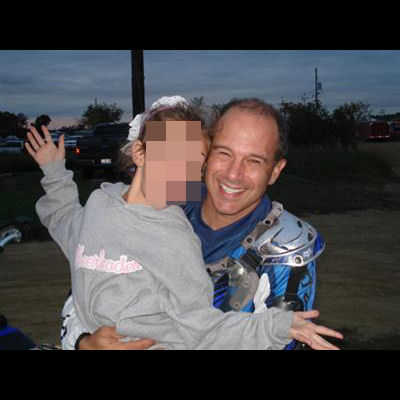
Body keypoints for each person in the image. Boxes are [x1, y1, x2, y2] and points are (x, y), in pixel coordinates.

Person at [57, 97, 342, 350]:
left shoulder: (284, 248)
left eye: (254, 161)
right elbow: (87, 280)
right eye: (224, 153)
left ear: (275, 171)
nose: (233, 174)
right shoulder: (158, 207)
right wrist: (83, 342)